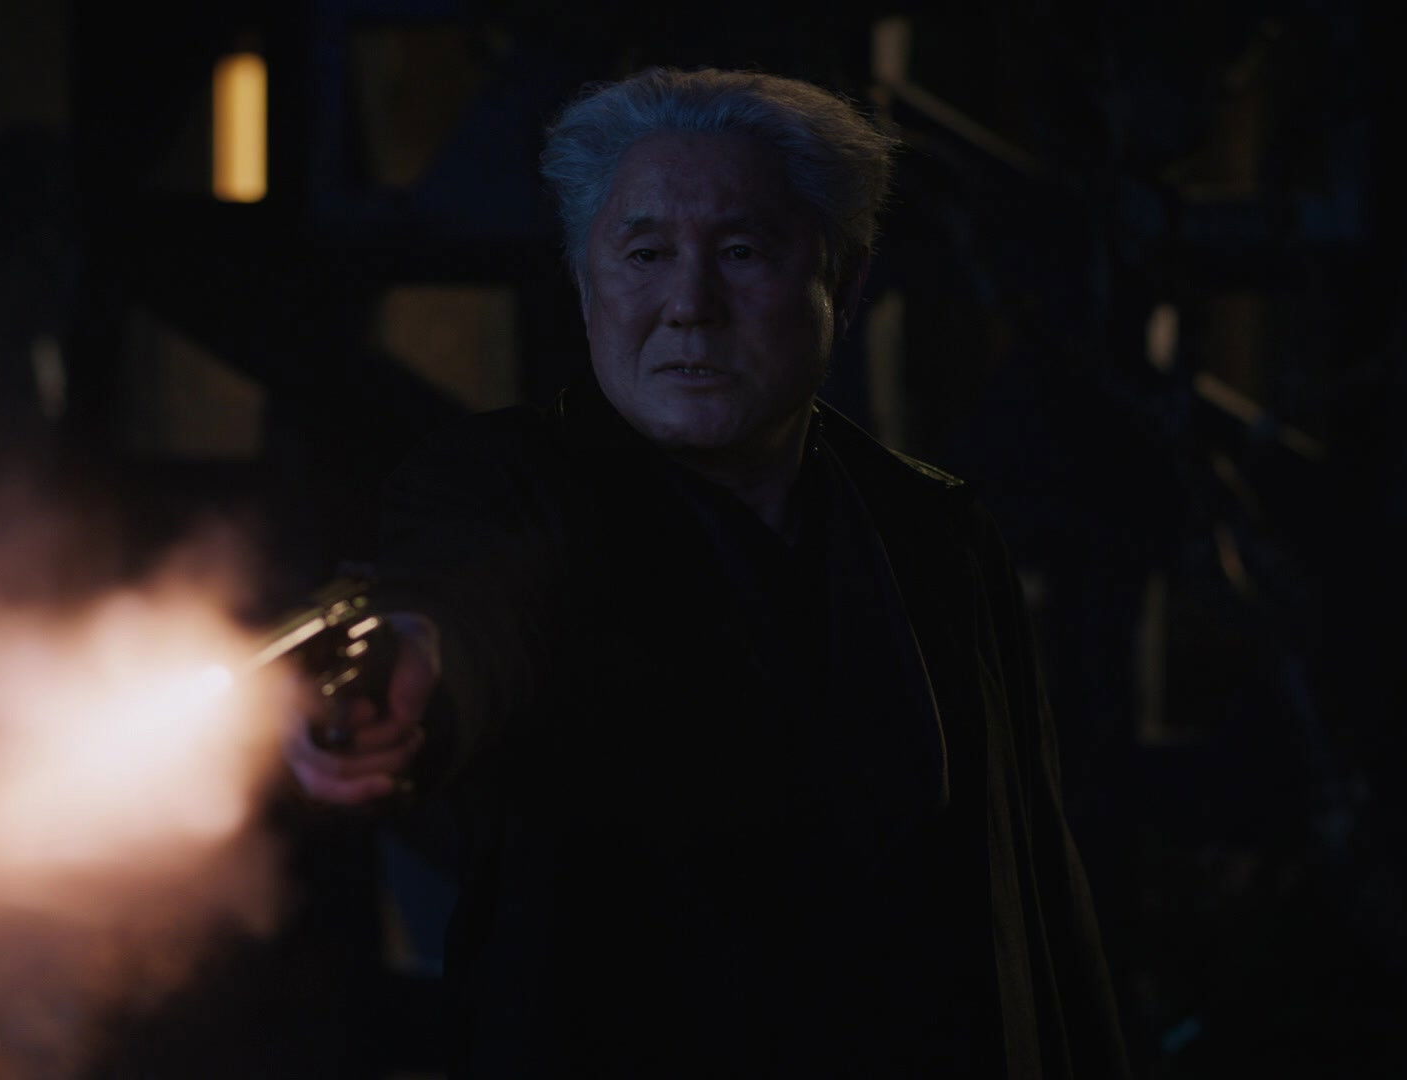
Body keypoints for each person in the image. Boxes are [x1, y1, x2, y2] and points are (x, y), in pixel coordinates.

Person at [284, 67, 1130, 1078]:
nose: (690, 305)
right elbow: (465, 594)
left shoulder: (934, 530)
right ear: (587, 284)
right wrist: (416, 662)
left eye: (742, 252)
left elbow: (1033, 892)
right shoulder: (507, 486)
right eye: (645, 255)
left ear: (844, 282)